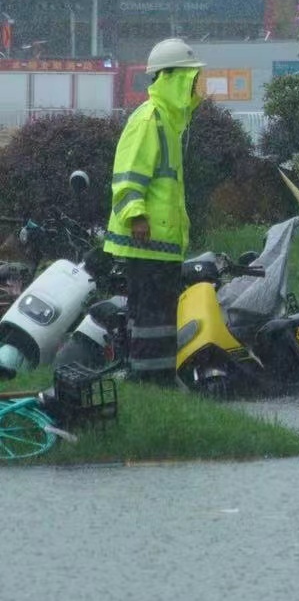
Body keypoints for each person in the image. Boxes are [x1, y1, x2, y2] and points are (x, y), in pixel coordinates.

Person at [106, 37, 205, 384]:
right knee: (151, 315)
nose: (196, 86)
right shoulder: (149, 119)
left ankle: (158, 376)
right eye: (191, 78)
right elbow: (128, 173)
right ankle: (150, 381)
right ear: (172, 78)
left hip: (161, 244)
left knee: (159, 315)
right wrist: (136, 216)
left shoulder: (168, 122)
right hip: (147, 240)